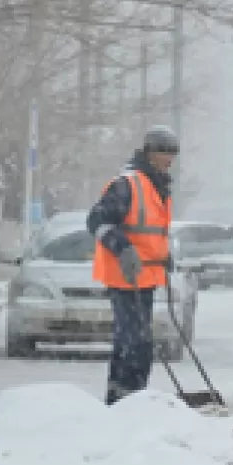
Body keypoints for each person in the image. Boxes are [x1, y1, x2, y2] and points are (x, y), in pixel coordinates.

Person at [87, 125, 178, 406]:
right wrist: (122, 248)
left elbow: (149, 232)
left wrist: (163, 256)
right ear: (151, 153)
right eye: (166, 152)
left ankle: (124, 399)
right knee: (135, 344)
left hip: (146, 275)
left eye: (173, 153)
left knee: (137, 344)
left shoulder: (156, 186)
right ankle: (126, 402)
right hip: (124, 275)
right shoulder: (128, 183)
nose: (171, 158)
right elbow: (97, 221)